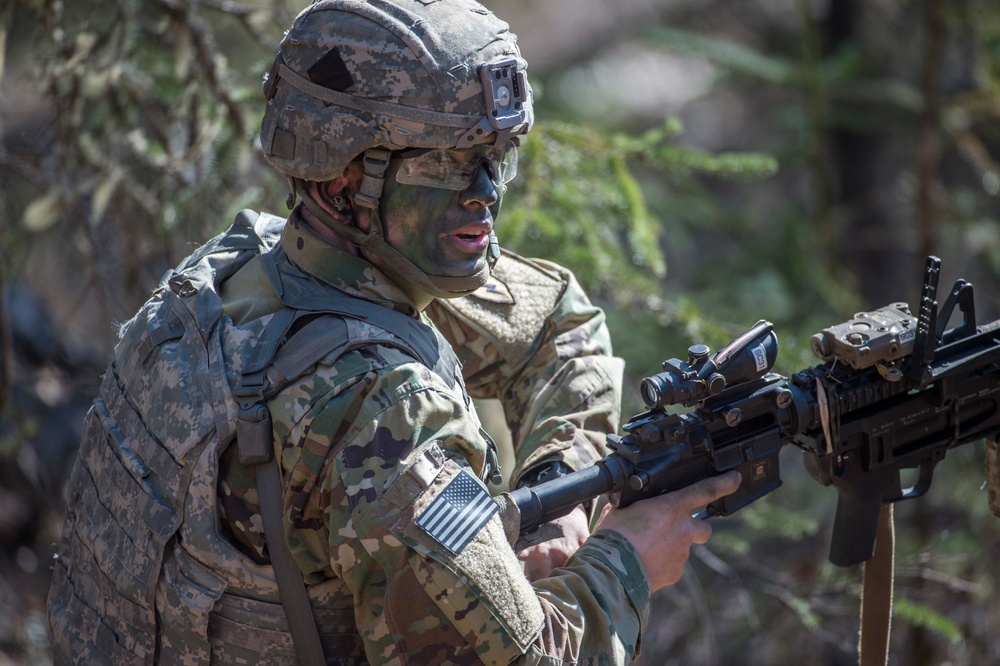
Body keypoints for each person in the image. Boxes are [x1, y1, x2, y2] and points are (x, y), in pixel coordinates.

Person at [47, 0, 739, 664]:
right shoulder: (382, 421)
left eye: (496, 155)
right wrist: (629, 559)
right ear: (342, 180)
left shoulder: (237, 272)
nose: (486, 192)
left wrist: (561, 498)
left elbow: (556, 323)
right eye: (445, 161)